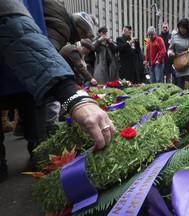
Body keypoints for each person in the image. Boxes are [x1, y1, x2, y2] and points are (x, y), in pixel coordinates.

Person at [0, 0, 115, 183]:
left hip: (21, 73)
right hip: (26, 75)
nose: (80, 39)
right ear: (77, 27)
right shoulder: (62, 25)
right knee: (36, 128)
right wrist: (71, 95)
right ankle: (39, 163)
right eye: (83, 34)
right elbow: (34, 49)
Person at [168, 18, 189, 89]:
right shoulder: (174, 37)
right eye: (180, 28)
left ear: (188, 28)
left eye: (184, 28)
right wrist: (170, 53)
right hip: (180, 64)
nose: (182, 30)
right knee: (180, 86)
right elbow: (170, 49)